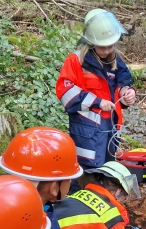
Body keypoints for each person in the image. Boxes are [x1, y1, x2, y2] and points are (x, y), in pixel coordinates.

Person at [56, 9, 136, 170]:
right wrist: (98, 102)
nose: (107, 51)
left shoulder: (115, 60)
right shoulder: (76, 61)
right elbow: (66, 93)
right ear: (91, 42)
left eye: (111, 46)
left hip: (111, 127)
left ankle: (103, 194)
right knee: (86, 172)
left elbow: (122, 83)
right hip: (86, 131)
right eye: (103, 47)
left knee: (108, 170)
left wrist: (127, 93)